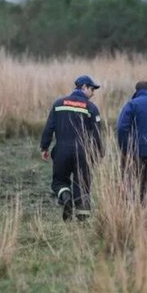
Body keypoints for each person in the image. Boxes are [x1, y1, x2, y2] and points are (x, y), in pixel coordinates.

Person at [40, 75, 103, 221]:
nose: (93, 93)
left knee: (59, 182)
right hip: (83, 152)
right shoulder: (91, 108)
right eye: (92, 89)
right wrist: (98, 154)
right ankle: (82, 219)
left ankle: (66, 196)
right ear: (83, 87)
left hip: (61, 151)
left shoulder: (58, 103)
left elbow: (49, 127)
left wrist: (44, 147)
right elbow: (97, 134)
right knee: (82, 184)